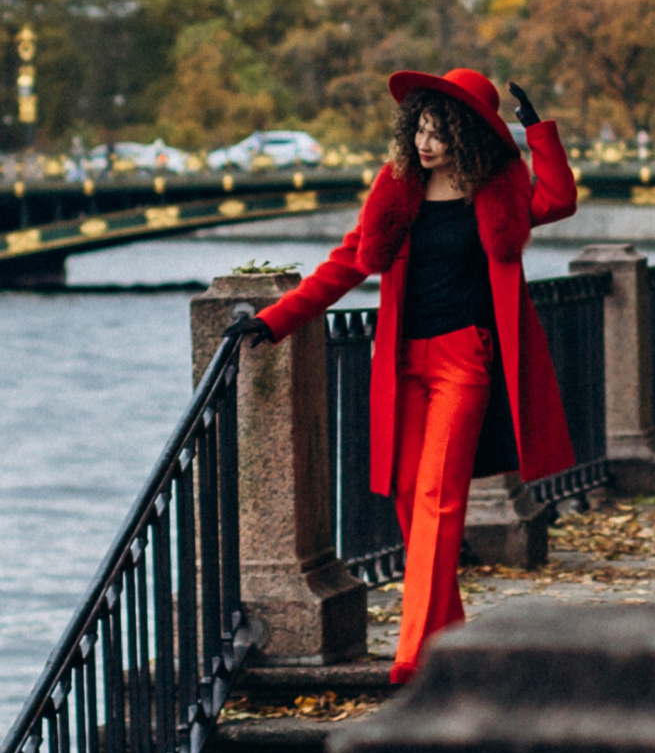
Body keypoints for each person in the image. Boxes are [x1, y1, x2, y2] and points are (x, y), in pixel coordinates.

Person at [226, 68, 579, 684]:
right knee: (409, 498)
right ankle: (448, 638)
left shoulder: (498, 189)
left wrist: (537, 132)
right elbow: (345, 264)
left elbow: (558, 199)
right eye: (419, 128)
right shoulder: (398, 189)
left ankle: (411, 656)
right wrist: (275, 320)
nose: (425, 142)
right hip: (403, 364)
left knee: (440, 497)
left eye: (439, 132)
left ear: (467, 134)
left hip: (466, 361)